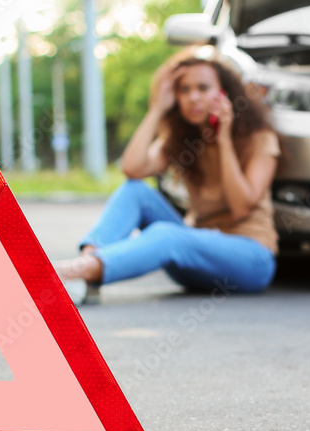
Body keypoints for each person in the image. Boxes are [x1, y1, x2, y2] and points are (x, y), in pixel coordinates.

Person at [54, 46, 281, 301]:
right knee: (135, 190)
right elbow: (132, 169)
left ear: (224, 93)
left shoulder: (259, 138)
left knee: (167, 235)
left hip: (249, 261)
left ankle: (71, 273)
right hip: (192, 257)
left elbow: (240, 207)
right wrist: (157, 108)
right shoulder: (182, 140)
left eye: (203, 88)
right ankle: (86, 271)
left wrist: (224, 140)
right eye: (184, 90)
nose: (193, 97)